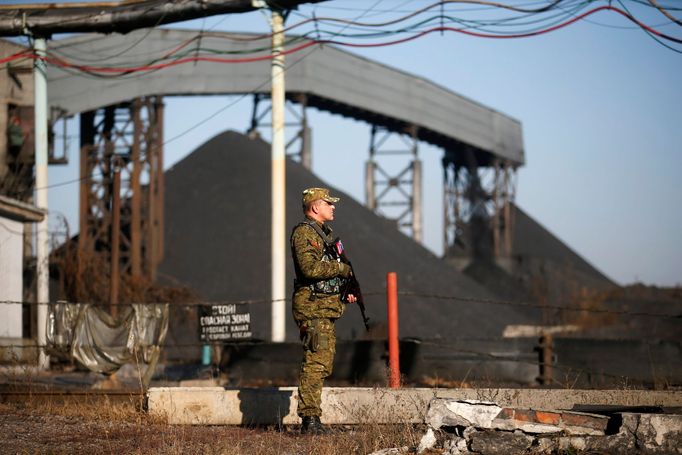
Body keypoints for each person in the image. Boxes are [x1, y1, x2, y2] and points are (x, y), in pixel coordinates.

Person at [290, 187, 357, 435]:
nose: (333, 207)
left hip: (324, 306)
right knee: (315, 363)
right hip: (313, 308)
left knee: (322, 363)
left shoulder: (325, 235)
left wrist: (344, 292)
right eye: (329, 203)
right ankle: (310, 421)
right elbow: (309, 269)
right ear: (315, 207)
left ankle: (313, 419)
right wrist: (340, 270)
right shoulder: (305, 233)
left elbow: (323, 276)